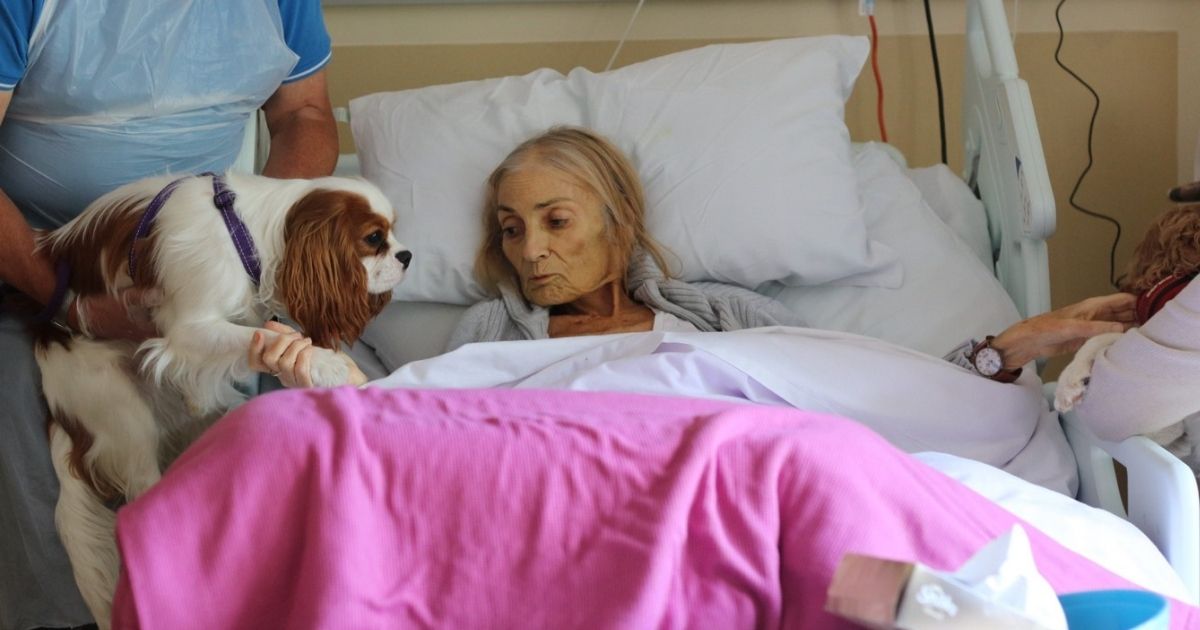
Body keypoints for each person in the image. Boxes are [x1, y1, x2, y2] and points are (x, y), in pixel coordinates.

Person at [253, 126, 1136, 388]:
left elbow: (863, 392)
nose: (531, 252)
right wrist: (327, 371)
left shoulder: (720, 313)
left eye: (557, 221)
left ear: (620, 223)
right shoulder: (492, 329)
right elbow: (424, 430)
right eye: (513, 230)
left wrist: (1008, 348)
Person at [0, 2, 338, 628]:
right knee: (19, 415)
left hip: (206, 250)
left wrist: (247, 237)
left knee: (287, 410)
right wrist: (65, 299)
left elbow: (306, 115)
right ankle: (58, 617)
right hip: (34, 253)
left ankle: (230, 604)